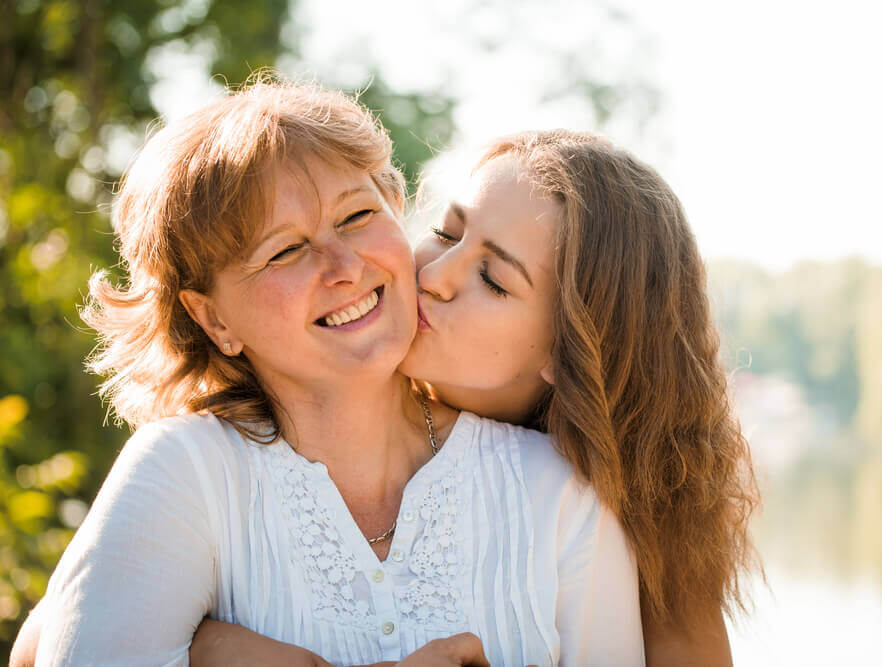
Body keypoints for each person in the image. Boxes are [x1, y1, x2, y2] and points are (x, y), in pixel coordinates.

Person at [14, 80, 644, 666]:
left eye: (356, 217)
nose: (343, 265)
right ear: (214, 320)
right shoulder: (185, 472)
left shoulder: (558, 492)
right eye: (285, 250)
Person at [179, 130, 760, 665]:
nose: (434, 275)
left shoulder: (624, 529)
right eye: (446, 234)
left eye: (493, 280)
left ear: (570, 350)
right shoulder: (244, 444)